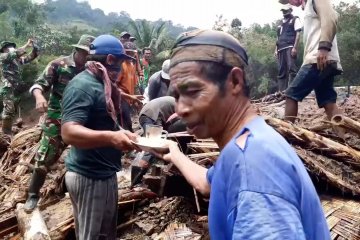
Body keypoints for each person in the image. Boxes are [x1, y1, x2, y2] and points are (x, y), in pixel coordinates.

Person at [156, 29, 330, 239]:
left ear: (235, 82)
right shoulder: (248, 140)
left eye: (192, 91)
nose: (180, 109)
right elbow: (209, 183)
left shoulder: (253, 167)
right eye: (176, 96)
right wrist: (174, 153)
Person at [61, 34, 138, 240]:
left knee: (105, 235)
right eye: (121, 62)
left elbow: (103, 121)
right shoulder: (83, 85)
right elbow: (68, 132)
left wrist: (121, 133)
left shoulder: (101, 84)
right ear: (111, 60)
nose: (122, 69)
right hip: (89, 175)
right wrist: (112, 138)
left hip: (103, 173)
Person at [23, 35, 95, 212]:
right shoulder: (58, 64)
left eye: (90, 54)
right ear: (77, 50)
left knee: (87, 156)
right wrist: (39, 97)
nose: (87, 57)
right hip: (57, 117)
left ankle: (76, 194)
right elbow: (38, 85)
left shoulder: (92, 70)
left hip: (82, 119)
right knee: (45, 157)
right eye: (84, 53)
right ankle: (32, 195)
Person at [281, 0, 344, 134]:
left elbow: (331, 17)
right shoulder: (310, 4)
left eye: (290, 0)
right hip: (323, 60)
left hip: (318, 59)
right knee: (328, 102)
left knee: (291, 95)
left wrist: (324, 47)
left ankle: (285, 138)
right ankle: (344, 143)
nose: (291, 4)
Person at [0, 39, 39, 135]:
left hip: (16, 87)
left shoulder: (16, 60)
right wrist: (26, 45)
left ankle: (7, 129)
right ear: (4, 49)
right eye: (9, 46)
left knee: (12, 110)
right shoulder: (3, 56)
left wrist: (35, 48)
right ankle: (5, 134)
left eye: (12, 46)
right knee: (9, 110)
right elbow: (15, 53)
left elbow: (29, 58)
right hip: (7, 87)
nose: (12, 48)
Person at [117, 41, 143, 132]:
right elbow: (114, 85)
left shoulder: (132, 65)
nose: (130, 55)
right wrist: (127, 96)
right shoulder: (121, 65)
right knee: (126, 124)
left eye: (131, 52)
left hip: (129, 99)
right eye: (127, 52)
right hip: (121, 99)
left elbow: (134, 84)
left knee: (127, 123)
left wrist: (134, 99)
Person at [275, 4, 301, 91]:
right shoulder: (280, 23)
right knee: (281, 70)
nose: (284, 12)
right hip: (281, 48)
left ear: (290, 10)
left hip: (290, 46)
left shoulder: (295, 19)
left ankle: (292, 90)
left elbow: (298, 34)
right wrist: (276, 50)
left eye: (286, 10)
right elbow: (278, 37)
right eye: (283, 11)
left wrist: (295, 47)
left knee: (291, 68)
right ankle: (282, 92)